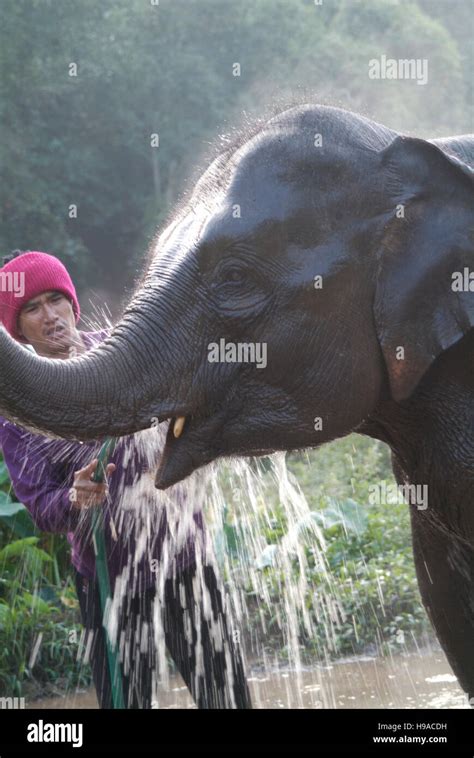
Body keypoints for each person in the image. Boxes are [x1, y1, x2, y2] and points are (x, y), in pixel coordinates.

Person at [0, 250, 251, 709]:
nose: (50, 315)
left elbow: (189, 402)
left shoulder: (126, 355)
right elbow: (41, 508)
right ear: (16, 332)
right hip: (107, 582)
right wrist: (75, 498)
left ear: (74, 304)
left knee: (228, 700)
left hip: (185, 562)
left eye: (56, 299)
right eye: (32, 309)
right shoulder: (18, 414)